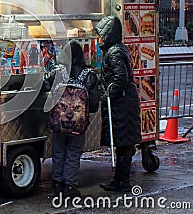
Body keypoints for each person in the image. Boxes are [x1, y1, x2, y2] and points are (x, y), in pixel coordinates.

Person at [47, 40, 99, 198]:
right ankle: (69, 185)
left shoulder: (57, 72)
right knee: (73, 153)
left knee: (58, 151)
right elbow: (95, 105)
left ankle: (57, 184)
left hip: (59, 122)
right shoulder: (88, 76)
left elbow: (43, 86)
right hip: (78, 124)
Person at [95, 16, 141, 192]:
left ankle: (121, 181)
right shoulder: (117, 50)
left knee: (123, 143)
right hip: (125, 102)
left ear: (108, 35)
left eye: (100, 35)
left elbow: (120, 78)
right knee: (124, 143)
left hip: (122, 104)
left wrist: (108, 92)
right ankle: (121, 179)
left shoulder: (114, 53)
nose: (98, 39)